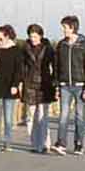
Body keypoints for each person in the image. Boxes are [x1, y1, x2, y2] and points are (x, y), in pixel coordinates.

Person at [52, 15, 85, 155]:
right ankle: (61, 143)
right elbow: (57, 66)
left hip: (80, 85)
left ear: (72, 28)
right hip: (64, 85)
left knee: (79, 116)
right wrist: (57, 85)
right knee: (63, 115)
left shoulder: (84, 44)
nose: (63, 31)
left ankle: (79, 144)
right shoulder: (61, 45)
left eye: (65, 28)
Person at [18, 24, 56, 153]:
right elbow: (22, 66)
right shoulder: (24, 48)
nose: (33, 39)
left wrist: (54, 80)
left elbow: (55, 65)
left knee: (43, 115)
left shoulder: (48, 48)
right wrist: (21, 81)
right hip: (29, 83)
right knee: (31, 116)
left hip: (44, 84)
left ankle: (45, 143)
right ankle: (34, 144)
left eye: (35, 36)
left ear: (40, 36)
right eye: (31, 36)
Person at [0, 25, 22, 152]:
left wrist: (15, 85)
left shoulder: (16, 50)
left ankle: (8, 140)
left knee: (8, 117)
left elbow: (19, 70)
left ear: (7, 37)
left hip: (10, 87)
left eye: (0, 39)